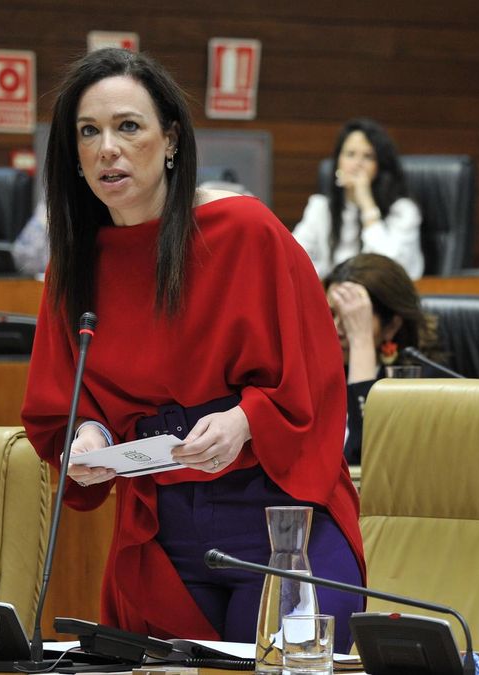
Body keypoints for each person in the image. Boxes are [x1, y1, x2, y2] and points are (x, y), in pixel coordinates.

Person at [20, 48, 363, 648]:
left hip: (277, 508)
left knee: (288, 661)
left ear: (171, 138)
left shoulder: (246, 231)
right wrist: (90, 434)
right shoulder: (73, 266)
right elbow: (63, 402)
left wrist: (245, 420)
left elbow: (315, 375)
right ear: (71, 155)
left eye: (129, 126)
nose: (108, 149)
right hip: (161, 526)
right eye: (88, 132)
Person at [322, 253, 440, 464]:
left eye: (352, 317)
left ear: (392, 326)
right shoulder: (319, 372)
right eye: (331, 314)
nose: (335, 329)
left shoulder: (420, 383)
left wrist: (361, 342)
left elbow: (366, 458)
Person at [292, 118, 423, 280]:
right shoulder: (321, 207)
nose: (357, 164)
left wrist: (367, 204)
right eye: (350, 154)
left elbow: (389, 269)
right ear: (338, 161)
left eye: (368, 157)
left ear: (380, 166)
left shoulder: (403, 211)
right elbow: (294, 257)